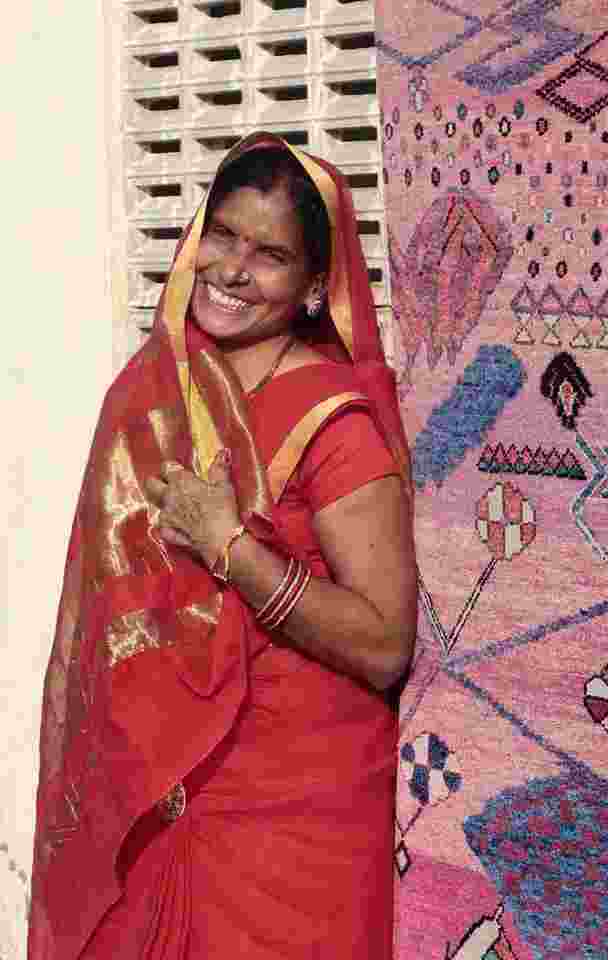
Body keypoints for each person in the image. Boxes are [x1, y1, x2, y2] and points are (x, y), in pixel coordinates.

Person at [28, 132, 418, 959]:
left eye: (270, 255)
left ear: (312, 286)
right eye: (224, 235)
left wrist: (229, 546)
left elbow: (385, 645)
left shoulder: (333, 422)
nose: (233, 270)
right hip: (155, 787)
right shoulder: (155, 389)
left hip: (290, 814)